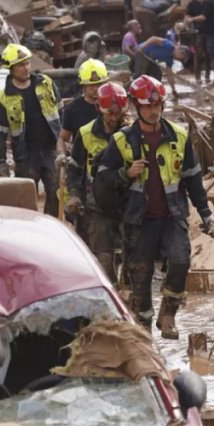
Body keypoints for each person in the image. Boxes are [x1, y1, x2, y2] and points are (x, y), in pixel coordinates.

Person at [95, 75, 214, 339]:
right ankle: (145, 329)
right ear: (136, 108)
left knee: (181, 260)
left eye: (157, 105)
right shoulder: (122, 140)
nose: (153, 111)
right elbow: (102, 177)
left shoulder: (179, 137)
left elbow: (193, 178)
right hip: (139, 220)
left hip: (172, 215)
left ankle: (168, 315)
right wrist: (126, 174)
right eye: (147, 107)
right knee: (141, 275)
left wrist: (206, 214)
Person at [65, 81, 129, 282]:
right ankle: (112, 294)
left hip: (129, 203)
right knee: (104, 256)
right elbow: (75, 168)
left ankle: (133, 298)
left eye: (116, 114)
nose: (112, 118)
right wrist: (74, 195)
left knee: (133, 256)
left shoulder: (133, 133)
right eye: (108, 113)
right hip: (97, 205)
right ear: (99, 110)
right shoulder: (85, 134)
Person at [0, 43, 63, 217]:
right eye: (20, 65)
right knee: (26, 201)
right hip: (25, 156)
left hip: (51, 150)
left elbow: (62, 114)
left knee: (56, 195)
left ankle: (50, 229)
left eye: (27, 63)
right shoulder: (3, 99)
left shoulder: (46, 84)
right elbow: (0, 134)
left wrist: (65, 145)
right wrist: (1, 163)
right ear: (11, 68)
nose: (25, 68)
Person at [59, 59, 109, 160]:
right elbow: (63, 138)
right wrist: (62, 153)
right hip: (82, 162)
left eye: (100, 84)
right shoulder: (73, 109)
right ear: (83, 85)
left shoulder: (113, 106)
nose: (96, 88)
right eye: (92, 85)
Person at [185, 0, 209, 82]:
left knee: (208, 55)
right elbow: (187, 17)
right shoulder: (191, 4)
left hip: (208, 31)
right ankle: (197, 77)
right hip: (197, 32)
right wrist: (187, 23)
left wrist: (192, 19)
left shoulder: (207, 3)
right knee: (198, 54)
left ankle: (207, 75)